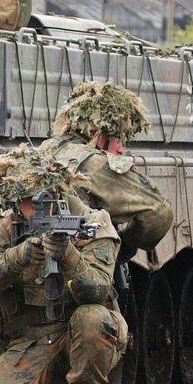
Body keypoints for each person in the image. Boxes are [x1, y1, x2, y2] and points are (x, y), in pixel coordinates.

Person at [0, 144, 126, 384]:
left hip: (84, 330)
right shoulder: (9, 225)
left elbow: (98, 290)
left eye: (40, 199)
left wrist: (67, 255)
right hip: (36, 338)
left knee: (92, 317)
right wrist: (18, 256)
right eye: (25, 201)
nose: (33, 208)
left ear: (56, 192)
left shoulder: (91, 222)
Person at [40, 81, 173, 256]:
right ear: (98, 133)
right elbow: (159, 213)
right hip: (78, 265)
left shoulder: (44, 149)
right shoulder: (95, 163)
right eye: (119, 137)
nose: (121, 148)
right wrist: (125, 243)